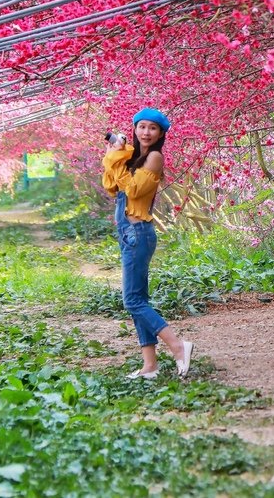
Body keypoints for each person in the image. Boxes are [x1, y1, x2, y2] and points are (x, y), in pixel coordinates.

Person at [102, 107, 194, 380]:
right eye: (141, 127)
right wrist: (115, 154)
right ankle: (149, 365)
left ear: (161, 133)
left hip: (138, 232)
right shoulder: (133, 157)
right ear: (135, 128)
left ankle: (178, 346)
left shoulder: (154, 158)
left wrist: (116, 159)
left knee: (132, 300)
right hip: (128, 233)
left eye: (152, 128)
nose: (146, 132)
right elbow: (110, 185)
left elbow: (131, 190)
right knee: (138, 298)